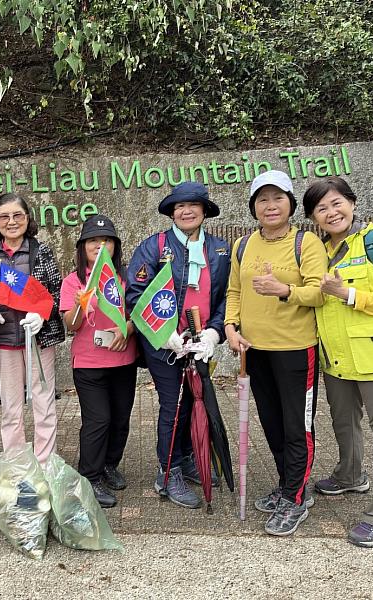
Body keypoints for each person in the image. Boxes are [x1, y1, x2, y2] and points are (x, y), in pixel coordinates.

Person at [302, 176, 373, 547]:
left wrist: (346, 292)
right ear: (314, 218)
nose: (331, 212)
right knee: (343, 422)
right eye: (321, 208)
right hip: (337, 360)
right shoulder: (319, 251)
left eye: (336, 203)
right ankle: (350, 476)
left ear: (352, 203)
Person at [224, 170, 326, 536]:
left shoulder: (307, 244)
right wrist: (231, 328)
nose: (270, 205)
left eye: (277, 198)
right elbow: (234, 292)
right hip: (255, 351)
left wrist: (284, 289)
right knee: (271, 423)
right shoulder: (242, 245)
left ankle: (296, 498)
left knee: (297, 426)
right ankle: (289, 486)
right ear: (253, 207)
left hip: (296, 349)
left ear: (291, 204)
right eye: (262, 199)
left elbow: (318, 292)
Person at [126, 181, 231, 509]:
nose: (186, 211)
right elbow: (135, 294)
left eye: (193, 205)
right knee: (174, 406)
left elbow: (228, 297)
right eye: (179, 206)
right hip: (165, 345)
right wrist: (166, 335)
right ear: (172, 212)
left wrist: (214, 334)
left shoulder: (219, 250)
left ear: (204, 211)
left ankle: (186, 458)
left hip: (199, 343)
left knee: (194, 401)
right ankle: (167, 471)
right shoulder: (154, 246)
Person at [0, 193, 65, 465]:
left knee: (43, 405)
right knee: (11, 409)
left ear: (27, 218)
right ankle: (16, 464)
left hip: (38, 340)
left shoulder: (40, 251)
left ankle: (46, 463)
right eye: (4, 216)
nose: (11, 222)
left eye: (17, 216)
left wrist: (42, 312)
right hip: (5, 342)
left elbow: (57, 293)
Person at [60, 215, 137, 508]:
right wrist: (81, 305)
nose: (100, 245)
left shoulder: (125, 277)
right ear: (83, 247)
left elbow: (137, 314)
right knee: (98, 420)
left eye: (106, 240)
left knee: (120, 419)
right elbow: (71, 324)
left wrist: (126, 328)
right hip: (89, 363)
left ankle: (109, 465)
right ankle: (89, 476)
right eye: (93, 240)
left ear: (115, 246)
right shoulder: (73, 280)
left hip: (123, 359)